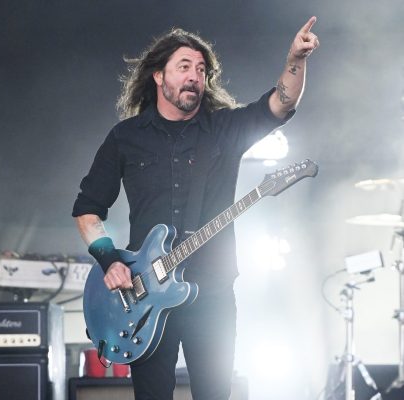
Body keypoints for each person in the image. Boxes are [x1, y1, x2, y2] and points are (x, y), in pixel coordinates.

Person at [72, 17, 319, 400]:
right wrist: (110, 261)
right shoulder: (126, 137)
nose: (194, 76)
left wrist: (296, 60)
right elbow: (88, 210)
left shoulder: (224, 129)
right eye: (184, 67)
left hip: (212, 294)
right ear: (158, 76)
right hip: (143, 297)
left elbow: (279, 105)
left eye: (201, 70)